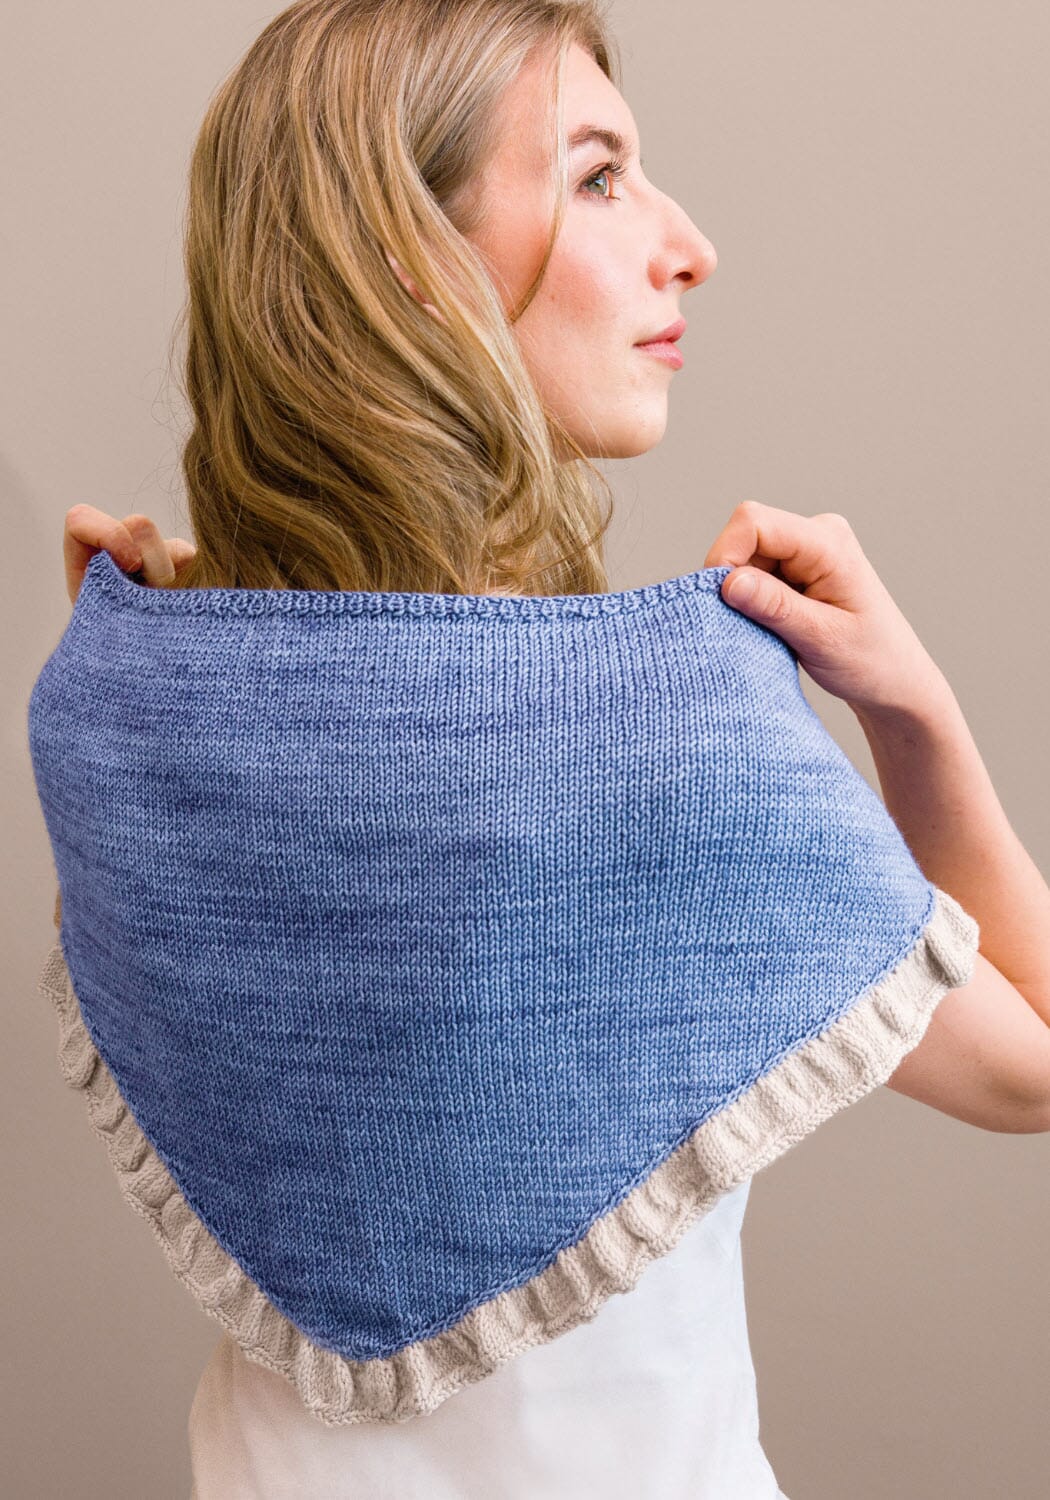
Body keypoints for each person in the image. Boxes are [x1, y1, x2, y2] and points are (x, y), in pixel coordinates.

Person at [51, 0, 1050, 1496]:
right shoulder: (672, 722)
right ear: (409, 261)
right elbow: (1032, 1070)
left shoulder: (125, 698)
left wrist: (146, 633)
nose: (687, 245)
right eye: (598, 177)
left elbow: (346, 796)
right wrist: (916, 716)